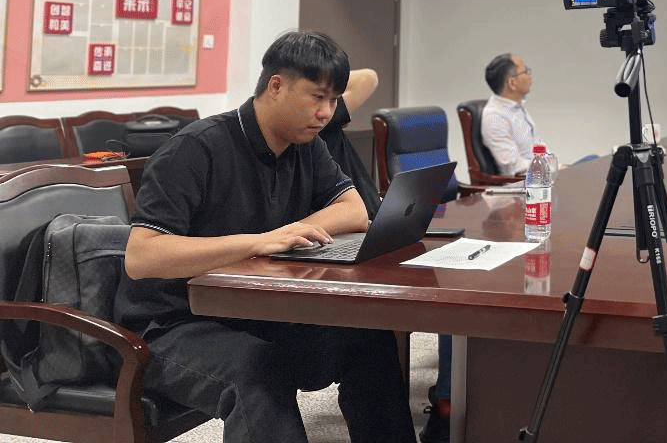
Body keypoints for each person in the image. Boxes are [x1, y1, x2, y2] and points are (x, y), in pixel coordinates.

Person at [116, 31, 416, 443]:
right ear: (276, 85)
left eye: (334, 100)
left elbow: (354, 211)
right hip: (171, 326)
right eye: (318, 97)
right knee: (258, 368)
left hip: (254, 308)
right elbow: (142, 257)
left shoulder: (304, 144)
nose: (327, 113)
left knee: (367, 335)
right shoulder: (195, 149)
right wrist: (260, 240)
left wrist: (289, 233)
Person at [317, 66, 381, 217]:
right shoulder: (315, 123)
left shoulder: (324, 115)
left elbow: (368, 78)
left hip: (372, 213)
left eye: (332, 99)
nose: (325, 112)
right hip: (359, 220)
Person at [482, 52, 543, 176]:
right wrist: (549, 168)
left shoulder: (517, 108)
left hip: (542, 175)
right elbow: (513, 167)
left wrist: (554, 164)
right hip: (524, 183)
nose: (530, 76)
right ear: (512, 83)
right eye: (525, 71)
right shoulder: (495, 117)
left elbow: (538, 146)